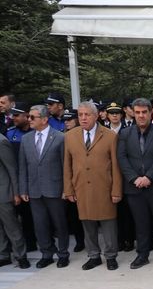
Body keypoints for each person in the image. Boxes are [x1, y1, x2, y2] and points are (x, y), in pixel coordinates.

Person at [117, 98, 153, 269]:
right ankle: (142, 255)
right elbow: (122, 158)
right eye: (137, 112)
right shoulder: (125, 134)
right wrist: (134, 178)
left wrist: (149, 177)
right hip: (134, 187)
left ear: (151, 113)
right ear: (132, 113)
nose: (141, 116)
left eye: (144, 112)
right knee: (140, 224)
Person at [63, 101, 123, 270]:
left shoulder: (110, 135)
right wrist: (68, 189)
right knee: (87, 223)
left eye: (87, 114)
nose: (83, 118)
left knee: (108, 224)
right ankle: (93, 255)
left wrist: (116, 190)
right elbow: (67, 165)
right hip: (81, 187)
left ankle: (111, 256)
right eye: (80, 115)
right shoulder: (70, 136)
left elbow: (116, 166)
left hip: (104, 187)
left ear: (96, 116)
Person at [18, 104, 69, 268]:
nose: (29, 120)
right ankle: (47, 253)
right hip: (34, 190)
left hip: (55, 189)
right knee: (40, 225)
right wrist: (23, 189)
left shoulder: (60, 137)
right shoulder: (26, 139)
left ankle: (63, 253)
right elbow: (22, 166)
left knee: (59, 223)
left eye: (33, 117)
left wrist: (66, 189)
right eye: (28, 116)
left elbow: (65, 166)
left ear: (45, 119)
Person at [0, 133, 28, 268]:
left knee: (12, 226)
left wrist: (16, 193)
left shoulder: (2, 141)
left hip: (4, 192)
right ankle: (3, 255)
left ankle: (21, 256)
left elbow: (12, 169)